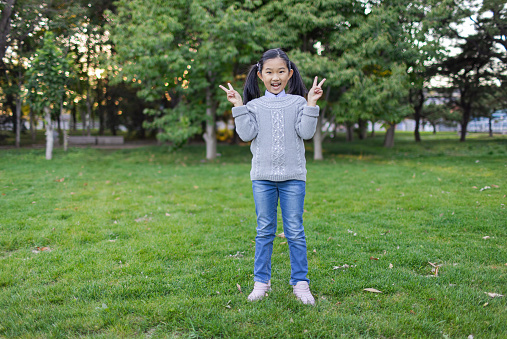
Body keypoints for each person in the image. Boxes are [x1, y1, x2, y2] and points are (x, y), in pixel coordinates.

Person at [219, 48, 325, 305]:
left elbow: (306, 132)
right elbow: (246, 135)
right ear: (260, 74)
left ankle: (300, 284)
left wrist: (311, 103)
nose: (275, 77)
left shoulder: (299, 102)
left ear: (289, 74)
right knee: (264, 230)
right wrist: (239, 107)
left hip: (293, 177)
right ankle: (261, 283)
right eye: (269, 72)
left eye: (280, 71)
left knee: (295, 231)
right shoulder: (253, 106)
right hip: (263, 177)